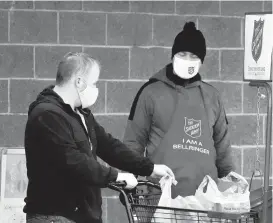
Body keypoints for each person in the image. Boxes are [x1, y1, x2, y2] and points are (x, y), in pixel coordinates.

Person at [23, 52, 175, 223]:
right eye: (94, 83)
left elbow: (108, 146)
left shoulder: (80, 113)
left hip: (81, 215)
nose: (95, 89)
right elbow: (72, 160)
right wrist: (115, 176)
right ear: (79, 82)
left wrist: (149, 167)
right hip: (54, 215)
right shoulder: (47, 115)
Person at [123, 21, 234, 199]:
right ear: (173, 55)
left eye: (193, 56)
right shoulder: (150, 92)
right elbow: (133, 143)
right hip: (162, 198)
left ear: (201, 61)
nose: (187, 60)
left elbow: (222, 146)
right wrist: (129, 179)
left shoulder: (213, 96)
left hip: (205, 200)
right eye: (182, 54)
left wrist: (230, 181)